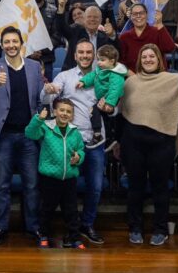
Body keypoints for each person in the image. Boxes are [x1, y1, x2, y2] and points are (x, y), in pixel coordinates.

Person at [118, 43, 178, 246]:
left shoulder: (171, 79)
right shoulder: (130, 82)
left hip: (161, 143)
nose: (148, 59)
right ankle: (135, 228)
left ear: (159, 59)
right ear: (139, 60)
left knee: (160, 188)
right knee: (135, 188)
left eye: (152, 56)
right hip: (133, 143)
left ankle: (161, 230)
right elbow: (120, 113)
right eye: (144, 57)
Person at [40, 39, 112, 246]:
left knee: (95, 187)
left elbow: (115, 107)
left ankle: (86, 225)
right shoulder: (65, 76)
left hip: (96, 140)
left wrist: (110, 108)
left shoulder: (104, 77)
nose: (85, 55)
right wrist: (48, 90)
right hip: (69, 141)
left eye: (89, 52)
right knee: (66, 191)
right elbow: (47, 101)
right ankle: (68, 229)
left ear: (94, 55)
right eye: (81, 52)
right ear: (75, 55)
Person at [0, 26, 44, 246]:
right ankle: (0, 228)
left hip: (29, 136)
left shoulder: (34, 67)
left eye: (15, 41)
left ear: (21, 44)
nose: (11, 45)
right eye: (7, 42)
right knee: (2, 186)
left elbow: (39, 99)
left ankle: (33, 227)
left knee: (32, 185)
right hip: (3, 136)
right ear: (1, 45)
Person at [25, 100, 85, 249]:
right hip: (49, 179)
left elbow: (81, 149)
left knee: (71, 210)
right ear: (55, 112)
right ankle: (43, 235)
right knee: (46, 209)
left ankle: (74, 237)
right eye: (62, 110)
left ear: (72, 115)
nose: (65, 113)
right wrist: (38, 119)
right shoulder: (46, 127)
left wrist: (78, 157)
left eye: (68, 111)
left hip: (69, 178)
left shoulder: (75, 131)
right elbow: (30, 133)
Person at [76, 44, 127, 149]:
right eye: (98, 59)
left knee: (105, 117)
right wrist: (83, 82)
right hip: (103, 98)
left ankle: (104, 137)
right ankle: (103, 136)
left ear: (112, 61)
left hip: (112, 99)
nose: (99, 62)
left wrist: (110, 103)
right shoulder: (100, 69)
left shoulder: (116, 74)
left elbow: (115, 90)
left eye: (102, 60)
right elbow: (92, 76)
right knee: (98, 114)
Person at [56, 0, 117, 72]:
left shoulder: (105, 37)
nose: (92, 19)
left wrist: (112, 35)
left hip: (98, 76)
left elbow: (116, 52)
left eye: (95, 17)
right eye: (89, 17)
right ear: (84, 18)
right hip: (73, 75)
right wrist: (61, 8)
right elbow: (61, 27)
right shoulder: (75, 31)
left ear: (101, 20)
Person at [118, 3, 176, 73]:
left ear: (147, 15)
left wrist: (160, 23)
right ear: (131, 17)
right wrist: (130, 74)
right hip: (134, 76)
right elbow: (120, 61)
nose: (138, 16)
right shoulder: (124, 37)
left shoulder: (157, 32)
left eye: (141, 13)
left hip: (156, 76)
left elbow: (170, 48)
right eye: (135, 14)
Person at [30, 0, 59, 80]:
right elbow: (18, 34)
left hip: (46, 60)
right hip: (25, 59)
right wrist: (29, 51)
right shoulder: (22, 10)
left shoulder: (54, 11)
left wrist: (40, 49)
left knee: (46, 89)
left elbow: (56, 36)